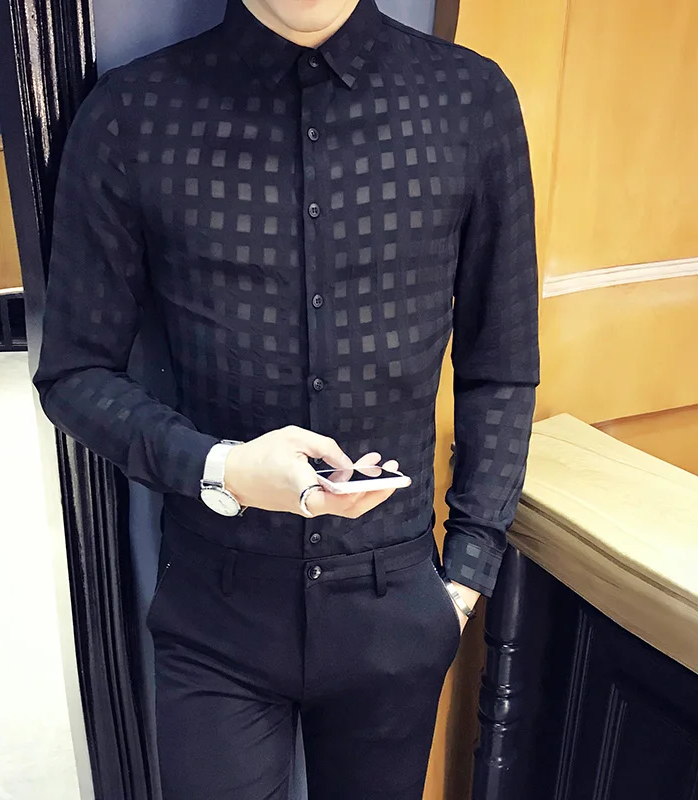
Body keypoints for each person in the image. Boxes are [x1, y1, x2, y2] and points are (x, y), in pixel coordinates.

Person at [34, 0, 540, 797]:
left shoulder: (470, 100)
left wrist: (466, 576)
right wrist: (224, 468)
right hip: (215, 610)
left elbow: (502, 366)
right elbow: (74, 373)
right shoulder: (133, 114)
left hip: (396, 603)